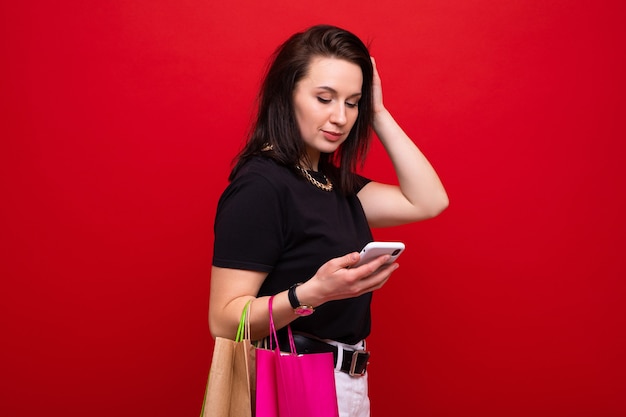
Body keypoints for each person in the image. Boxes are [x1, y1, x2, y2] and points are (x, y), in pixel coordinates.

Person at [209, 24, 448, 416]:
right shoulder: (261, 186)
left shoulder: (333, 185)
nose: (340, 117)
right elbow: (222, 320)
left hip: (347, 380)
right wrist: (312, 293)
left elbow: (428, 200)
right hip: (295, 380)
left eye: (352, 103)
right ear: (287, 95)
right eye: (324, 98)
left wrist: (379, 113)